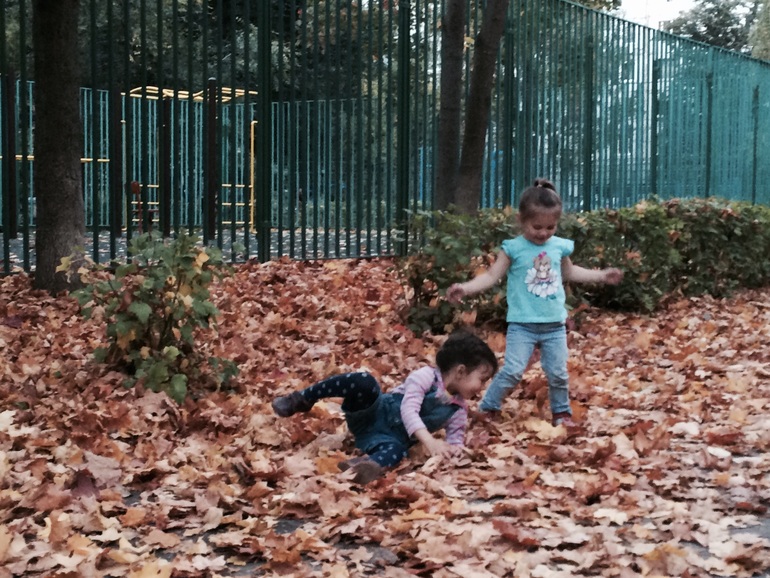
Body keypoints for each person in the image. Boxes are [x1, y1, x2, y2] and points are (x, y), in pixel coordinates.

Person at [446, 179, 623, 427]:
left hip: (554, 325)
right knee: (512, 370)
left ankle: (561, 413)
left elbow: (570, 272)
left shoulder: (559, 246)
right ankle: (488, 407)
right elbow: (491, 276)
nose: (543, 233)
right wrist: (465, 288)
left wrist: (602, 276)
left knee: (558, 373)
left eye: (551, 227)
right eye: (537, 226)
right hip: (522, 325)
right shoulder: (513, 248)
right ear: (521, 220)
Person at [271, 330, 498, 484]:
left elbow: (455, 438)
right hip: (371, 413)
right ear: (460, 371)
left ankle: (362, 467)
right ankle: (302, 398)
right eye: (482, 379)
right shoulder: (426, 377)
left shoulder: (458, 409)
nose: (482, 387)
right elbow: (409, 409)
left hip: (385, 439)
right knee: (364, 381)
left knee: (397, 452)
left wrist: (453, 451)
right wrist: (429, 441)